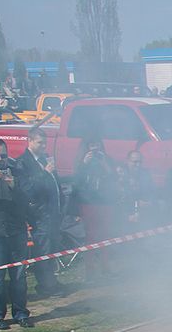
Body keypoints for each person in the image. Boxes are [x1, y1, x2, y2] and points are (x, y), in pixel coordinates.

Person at [15, 126, 65, 297]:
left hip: (53, 214)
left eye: (45, 143)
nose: (44, 146)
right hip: (39, 216)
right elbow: (28, 189)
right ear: (30, 141)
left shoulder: (44, 160)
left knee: (52, 249)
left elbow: (55, 184)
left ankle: (51, 281)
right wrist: (44, 173)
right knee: (43, 251)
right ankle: (45, 285)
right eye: (40, 143)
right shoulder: (23, 162)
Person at [73, 138, 121, 279]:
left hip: (105, 202)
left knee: (105, 235)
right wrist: (84, 164)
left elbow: (114, 177)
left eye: (97, 144)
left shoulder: (106, 159)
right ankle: (90, 270)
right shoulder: (82, 161)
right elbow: (77, 182)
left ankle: (106, 267)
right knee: (91, 236)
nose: (95, 148)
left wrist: (104, 162)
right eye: (91, 145)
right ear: (86, 147)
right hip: (88, 202)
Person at [0, 139, 31, 328]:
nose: (0, 160)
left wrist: (13, 186)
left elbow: (27, 201)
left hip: (17, 231)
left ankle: (20, 313)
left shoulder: (16, 171)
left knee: (19, 276)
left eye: (3, 155)